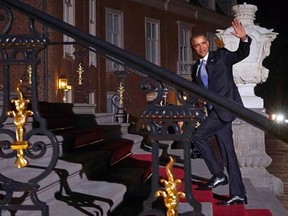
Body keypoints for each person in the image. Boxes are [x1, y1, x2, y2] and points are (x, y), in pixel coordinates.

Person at [189, 18, 251, 206]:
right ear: (194, 48)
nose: (201, 48)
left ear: (208, 44)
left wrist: (244, 39)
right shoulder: (195, 68)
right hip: (214, 112)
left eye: (203, 44)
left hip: (226, 107)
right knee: (228, 152)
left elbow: (241, 53)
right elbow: (195, 91)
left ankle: (218, 174)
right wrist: (182, 109)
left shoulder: (222, 56)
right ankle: (238, 193)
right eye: (197, 46)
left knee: (198, 136)